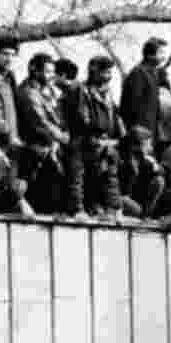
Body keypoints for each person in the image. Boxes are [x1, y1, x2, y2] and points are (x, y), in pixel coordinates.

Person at [64, 55, 126, 220]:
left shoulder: (108, 92)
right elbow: (81, 117)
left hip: (104, 141)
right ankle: (77, 209)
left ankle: (113, 209)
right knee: (77, 176)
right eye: (104, 72)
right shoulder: (80, 90)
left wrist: (116, 136)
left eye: (109, 72)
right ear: (93, 71)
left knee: (109, 174)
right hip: (83, 139)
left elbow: (114, 114)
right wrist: (96, 134)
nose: (108, 76)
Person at [17, 52, 70, 213]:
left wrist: (63, 133)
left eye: (52, 72)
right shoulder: (27, 91)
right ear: (34, 70)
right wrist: (60, 137)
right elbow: (39, 121)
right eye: (47, 72)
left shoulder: (48, 90)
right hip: (35, 143)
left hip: (51, 141)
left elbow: (60, 116)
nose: (50, 76)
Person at [120, 37, 168, 145]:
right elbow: (130, 107)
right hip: (139, 135)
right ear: (149, 55)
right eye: (161, 53)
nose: (164, 57)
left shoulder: (154, 74)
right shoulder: (138, 74)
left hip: (152, 134)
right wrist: (135, 131)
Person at [118, 126, 164, 218]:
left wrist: (154, 164)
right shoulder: (123, 160)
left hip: (133, 199)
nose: (150, 148)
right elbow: (122, 192)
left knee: (159, 181)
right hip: (120, 199)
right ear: (137, 146)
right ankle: (142, 216)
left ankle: (146, 215)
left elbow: (161, 172)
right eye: (147, 145)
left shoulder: (144, 160)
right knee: (136, 210)